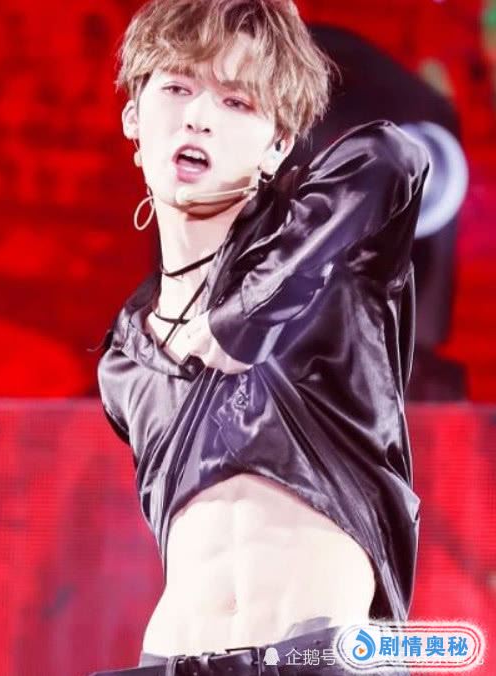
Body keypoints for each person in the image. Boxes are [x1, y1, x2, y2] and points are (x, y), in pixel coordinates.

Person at [92, 1, 430, 674]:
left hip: (315, 654)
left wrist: (248, 312)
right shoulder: (125, 360)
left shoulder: (332, 269)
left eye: (236, 101)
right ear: (133, 117)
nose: (198, 116)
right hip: (168, 658)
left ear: (277, 145)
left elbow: (394, 156)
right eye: (178, 87)